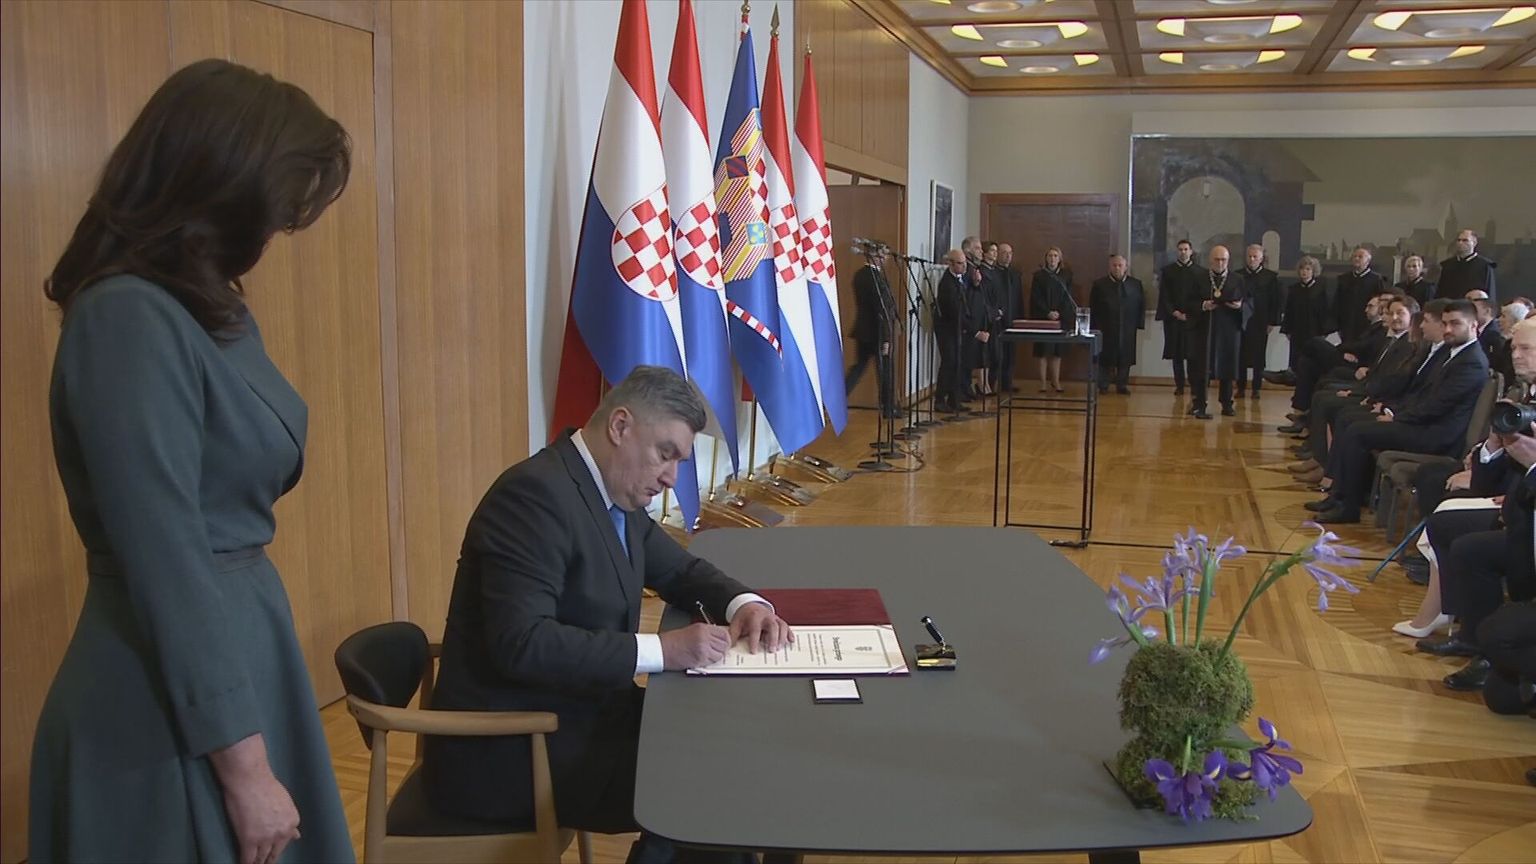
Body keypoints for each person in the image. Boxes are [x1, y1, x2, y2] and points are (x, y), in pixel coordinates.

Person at [29, 59, 355, 863]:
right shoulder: (126, 319)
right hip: (166, 703)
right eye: (275, 208)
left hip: (236, 656)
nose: (276, 231)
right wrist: (245, 770)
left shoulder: (204, 306)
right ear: (219, 186)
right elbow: (165, 559)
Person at [423, 366, 792, 864]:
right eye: (665, 454)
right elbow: (523, 645)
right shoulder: (532, 498)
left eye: (680, 461)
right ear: (620, 427)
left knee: (733, 744)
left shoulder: (609, 494)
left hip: (582, 714)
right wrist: (664, 650)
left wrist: (745, 603)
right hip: (512, 749)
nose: (671, 477)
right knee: (711, 783)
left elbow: (679, 570)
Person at [1312, 300, 1490, 524]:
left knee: (1358, 432)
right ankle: (1338, 496)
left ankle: (1347, 507)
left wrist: (1397, 417)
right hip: (1424, 424)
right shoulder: (1453, 353)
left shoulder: (1471, 362)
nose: (1447, 329)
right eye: (1444, 323)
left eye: (1455, 324)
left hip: (1437, 434)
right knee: (1351, 423)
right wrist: (1394, 412)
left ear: (1473, 325)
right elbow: (1421, 395)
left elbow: (1437, 405)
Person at [1185, 246, 1249, 419]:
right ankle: (1199, 403)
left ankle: (1227, 403)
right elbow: (1188, 302)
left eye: (1224, 260)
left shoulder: (1238, 279)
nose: (1220, 263)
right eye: (1217, 259)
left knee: (1227, 365)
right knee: (1202, 366)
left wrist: (1240, 306)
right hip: (1204, 327)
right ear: (1210, 260)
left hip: (1229, 329)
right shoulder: (1199, 278)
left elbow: (1249, 303)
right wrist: (1203, 305)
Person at [845, 245, 898, 418]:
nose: (886, 259)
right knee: (885, 370)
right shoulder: (875, 277)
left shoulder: (860, 275)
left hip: (863, 330)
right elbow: (881, 308)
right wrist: (886, 337)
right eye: (883, 255)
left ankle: (839, 398)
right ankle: (888, 408)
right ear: (875, 256)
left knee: (858, 367)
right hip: (877, 331)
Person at [1089, 254, 1145, 394]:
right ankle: (1103, 384)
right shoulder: (1099, 285)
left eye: (1120, 265)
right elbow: (1093, 307)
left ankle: (1122, 384)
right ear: (1109, 267)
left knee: (1125, 356)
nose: (1117, 268)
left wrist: (1139, 324)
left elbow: (1141, 305)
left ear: (1126, 267)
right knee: (1104, 356)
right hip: (1105, 327)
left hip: (1128, 327)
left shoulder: (1135, 284)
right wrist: (1093, 327)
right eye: (1114, 265)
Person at [1273, 256, 1329, 391]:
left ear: (1313, 271)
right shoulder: (1294, 289)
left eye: (1308, 269)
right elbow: (1289, 311)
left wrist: (1324, 332)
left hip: (1314, 331)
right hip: (1297, 331)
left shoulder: (1320, 289)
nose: (1305, 272)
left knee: (1313, 361)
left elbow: (1324, 312)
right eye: (1302, 269)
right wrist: (1287, 330)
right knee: (1296, 361)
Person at [1157, 239, 1202, 394]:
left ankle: (1194, 385)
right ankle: (1179, 385)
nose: (1183, 252)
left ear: (1191, 251)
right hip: (1174, 319)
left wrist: (1190, 314)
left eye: (1186, 249)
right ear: (1177, 251)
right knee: (1176, 354)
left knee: (1192, 354)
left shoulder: (1200, 272)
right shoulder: (1168, 271)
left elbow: (1201, 296)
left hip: (1193, 320)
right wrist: (1174, 312)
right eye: (1180, 249)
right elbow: (1164, 295)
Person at [1236, 244, 1281, 398]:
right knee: (1241, 355)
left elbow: (1275, 301)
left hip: (1261, 321)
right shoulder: (1238, 275)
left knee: (1258, 355)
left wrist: (1272, 322)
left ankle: (1256, 388)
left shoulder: (1270, 277)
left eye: (1255, 257)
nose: (1252, 259)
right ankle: (1240, 388)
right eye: (1249, 256)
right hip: (1241, 321)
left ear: (1261, 258)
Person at [1031, 245, 1075, 394]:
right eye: (1050, 256)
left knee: (1057, 351)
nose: (1052, 259)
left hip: (1060, 318)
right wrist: (1047, 312)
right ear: (1046, 258)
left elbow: (1068, 297)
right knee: (1042, 351)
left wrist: (1059, 312)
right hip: (1043, 317)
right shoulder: (1039, 276)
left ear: (1060, 259)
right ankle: (1042, 383)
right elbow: (1036, 298)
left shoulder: (1066, 275)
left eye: (1055, 256)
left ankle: (1056, 381)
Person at [933, 249, 969, 413]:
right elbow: (953, 310)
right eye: (960, 263)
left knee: (958, 363)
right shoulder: (947, 283)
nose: (964, 266)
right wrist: (969, 327)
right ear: (951, 264)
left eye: (964, 262)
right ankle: (940, 399)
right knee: (949, 362)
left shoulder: (960, 279)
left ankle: (955, 399)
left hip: (956, 328)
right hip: (946, 328)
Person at [1334, 247, 1389, 343]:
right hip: (1346, 323)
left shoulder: (1376, 279)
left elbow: (1381, 301)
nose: (1356, 259)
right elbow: (1337, 301)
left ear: (1368, 261)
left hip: (1366, 323)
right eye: (1354, 256)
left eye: (1360, 257)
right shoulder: (1343, 279)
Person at [1438, 229, 1498, 302]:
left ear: (1474, 243)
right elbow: (1440, 293)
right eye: (1458, 240)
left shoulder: (1484, 266)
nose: (1460, 243)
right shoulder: (1447, 265)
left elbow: (1490, 294)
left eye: (1465, 240)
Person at [996, 243, 1025, 392]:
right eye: (1004, 253)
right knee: (997, 353)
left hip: (1013, 318)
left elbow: (1019, 297)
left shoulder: (1015, 273)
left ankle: (1007, 382)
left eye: (1010, 253)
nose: (1008, 256)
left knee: (1010, 353)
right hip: (998, 319)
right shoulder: (994, 272)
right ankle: (993, 383)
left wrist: (1021, 318)